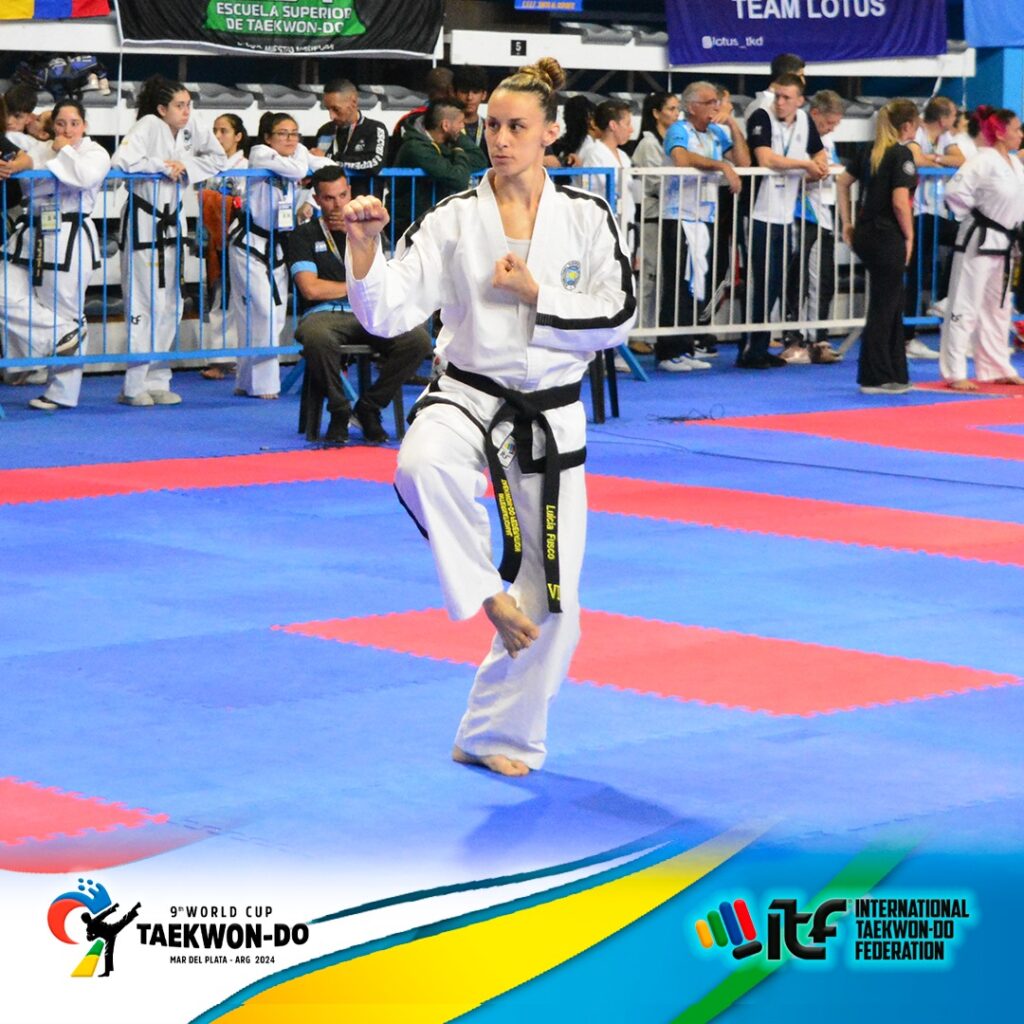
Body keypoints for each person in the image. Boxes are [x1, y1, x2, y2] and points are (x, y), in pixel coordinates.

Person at [343, 57, 636, 776]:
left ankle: (493, 734)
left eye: (516, 128)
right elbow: (387, 313)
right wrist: (364, 248)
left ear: (550, 133)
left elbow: (620, 316)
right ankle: (484, 589)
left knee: (556, 605)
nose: (500, 140)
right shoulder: (453, 219)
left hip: (549, 414)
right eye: (492, 127)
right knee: (419, 464)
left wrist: (539, 295)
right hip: (468, 392)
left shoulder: (587, 217)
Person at [287, 166, 432, 444]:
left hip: (370, 312)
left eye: (342, 195)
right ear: (316, 200)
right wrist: (359, 287)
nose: (337, 204)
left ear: (350, 193)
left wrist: (360, 241)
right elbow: (311, 289)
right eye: (329, 198)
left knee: (417, 340)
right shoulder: (304, 235)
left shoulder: (370, 230)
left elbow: (386, 280)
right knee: (316, 337)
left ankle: (369, 406)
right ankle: (339, 408)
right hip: (325, 314)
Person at [112, 76, 226, 406]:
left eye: (188, 104)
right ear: (162, 109)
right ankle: (134, 385)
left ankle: (158, 378)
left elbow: (217, 158)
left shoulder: (192, 126)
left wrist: (184, 165)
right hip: (143, 222)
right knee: (144, 304)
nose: (186, 111)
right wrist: (161, 166)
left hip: (172, 224)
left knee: (170, 305)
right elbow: (121, 161)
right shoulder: (148, 125)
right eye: (179, 105)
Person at [3, 100, 111, 410]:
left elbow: (84, 177)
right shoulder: (41, 148)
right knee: (5, 291)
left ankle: (61, 392)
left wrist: (64, 151)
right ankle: (60, 336)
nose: (67, 129)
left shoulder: (95, 152)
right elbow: (27, 166)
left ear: (84, 125)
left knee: (66, 308)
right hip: (31, 232)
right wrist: (15, 166)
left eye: (74, 123)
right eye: (61, 123)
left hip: (68, 234)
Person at [229, 112, 330, 399]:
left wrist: (311, 201)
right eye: (282, 133)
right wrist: (304, 157)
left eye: (294, 133)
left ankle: (245, 380)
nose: (290, 139)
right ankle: (265, 385)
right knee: (260, 311)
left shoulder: (295, 156)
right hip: (249, 241)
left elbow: (329, 168)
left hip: (277, 244)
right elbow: (298, 171)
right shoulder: (260, 154)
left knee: (273, 314)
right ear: (267, 137)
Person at [659, 80, 750, 372]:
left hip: (705, 216)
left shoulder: (717, 133)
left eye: (716, 102)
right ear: (691, 106)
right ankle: (667, 351)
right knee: (677, 284)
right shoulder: (679, 130)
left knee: (697, 283)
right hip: (678, 215)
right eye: (709, 102)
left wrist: (733, 125)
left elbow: (744, 162)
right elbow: (681, 158)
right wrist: (721, 165)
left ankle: (686, 345)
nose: (715, 107)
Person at [740, 72, 826, 369]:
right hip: (759, 212)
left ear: (800, 100)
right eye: (777, 95)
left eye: (786, 97)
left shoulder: (804, 121)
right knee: (760, 282)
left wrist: (819, 166)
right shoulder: (761, 116)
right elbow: (766, 159)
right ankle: (749, 348)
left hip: (785, 213)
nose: (780, 102)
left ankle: (760, 345)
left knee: (775, 282)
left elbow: (820, 154)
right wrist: (805, 164)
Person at [837, 98, 919, 395]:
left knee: (891, 302)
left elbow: (842, 182)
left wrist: (847, 222)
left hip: (866, 233)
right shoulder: (901, 154)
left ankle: (894, 371)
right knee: (885, 306)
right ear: (907, 126)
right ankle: (876, 376)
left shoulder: (869, 150)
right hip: (887, 235)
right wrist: (909, 236)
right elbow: (899, 202)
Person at [938, 108, 1024, 390]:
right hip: (979, 239)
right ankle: (955, 371)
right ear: (1000, 132)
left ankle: (996, 366)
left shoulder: (1014, 164)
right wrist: (976, 215)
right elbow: (954, 192)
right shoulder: (982, 160)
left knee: (998, 307)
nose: (1021, 134)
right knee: (965, 304)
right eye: (1017, 129)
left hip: (1005, 243)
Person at [782, 89, 845, 364]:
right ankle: (794, 340)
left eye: (834, 124)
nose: (830, 128)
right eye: (827, 123)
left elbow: (834, 170)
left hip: (824, 216)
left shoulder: (828, 140)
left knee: (824, 280)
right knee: (797, 280)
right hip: (799, 213)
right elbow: (789, 172)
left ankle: (819, 339)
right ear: (815, 113)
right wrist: (813, 173)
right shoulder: (797, 133)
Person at [904, 95, 964, 358]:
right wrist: (936, 160)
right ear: (942, 119)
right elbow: (916, 160)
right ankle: (907, 337)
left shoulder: (944, 137)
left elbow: (960, 159)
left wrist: (935, 158)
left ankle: (944, 300)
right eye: (953, 116)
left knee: (961, 242)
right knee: (914, 275)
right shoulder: (917, 132)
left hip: (935, 212)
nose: (956, 120)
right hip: (917, 213)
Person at [392, 98, 487, 237]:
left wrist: (455, 151)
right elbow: (458, 179)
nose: (462, 127)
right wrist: (458, 153)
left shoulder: (448, 140)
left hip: (432, 219)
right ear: (445, 125)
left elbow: (480, 160)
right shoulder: (415, 147)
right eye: (460, 122)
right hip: (409, 223)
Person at [200, 113, 248, 381]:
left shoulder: (246, 166)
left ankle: (234, 358)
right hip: (216, 241)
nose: (218, 136)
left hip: (238, 239)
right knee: (219, 296)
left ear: (238, 136)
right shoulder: (212, 167)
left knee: (237, 299)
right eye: (215, 130)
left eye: (224, 131)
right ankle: (220, 357)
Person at [631, 91, 680, 337]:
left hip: (670, 213)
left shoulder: (673, 141)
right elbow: (655, 182)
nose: (676, 114)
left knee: (664, 275)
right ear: (656, 113)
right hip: (652, 215)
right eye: (671, 109)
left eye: (677, 109)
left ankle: (655, 331)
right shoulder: (649, 143)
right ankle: (640, 331)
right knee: (649, 274)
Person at [310, 79, 387, 195]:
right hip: (331, 203)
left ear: (353, 102)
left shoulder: (375, 129)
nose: (331, 116)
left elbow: (374, 164)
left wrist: (329, 160)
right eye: (328, 109)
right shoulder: (325, 130)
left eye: (336, 109)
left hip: (363, 203)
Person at [82, 902, 141, 977]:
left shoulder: (91, 926)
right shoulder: (90, 927)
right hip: (109, 935)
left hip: (111, 931)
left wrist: (113, 908)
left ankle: (107, 972)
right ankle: (107, 972)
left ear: (84, 921)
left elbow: (104, 914)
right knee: (123, 921)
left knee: (123, 921)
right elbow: (104, 915)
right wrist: (113, 908)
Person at [453, 64, 489, 159]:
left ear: (484, 95)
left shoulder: (490, 127)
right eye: (464, 91)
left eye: (475, 92)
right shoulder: (447, 129)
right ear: (455, 93)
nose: (469, 97)